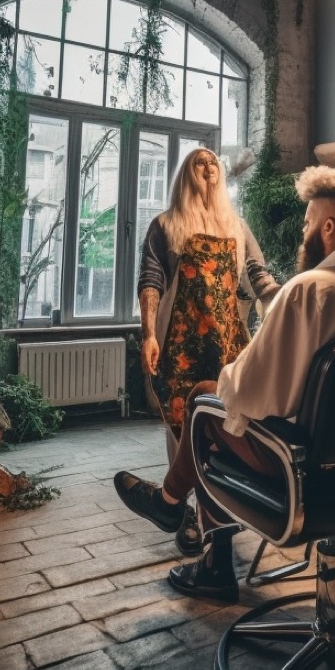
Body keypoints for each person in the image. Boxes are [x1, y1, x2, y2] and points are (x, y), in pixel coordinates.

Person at [115, 165, 335, 601]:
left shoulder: (310, 292)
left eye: (307, 222)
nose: (303, 230)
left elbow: (247, 397)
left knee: (207, 406)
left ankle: (188, 529)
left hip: (309, 472)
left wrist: (229, 380)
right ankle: (172, 506)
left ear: (328, 226)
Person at [137, 147, 280, 556]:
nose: (208, 167)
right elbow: (150, 279)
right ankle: (187, 515)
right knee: (182, 425)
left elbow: (257, 272)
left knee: (223, 424)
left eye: (213, 162)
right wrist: (149, 334)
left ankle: (216, 512)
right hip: (179, 340)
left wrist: (283, 301)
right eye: (198, 163)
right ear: (185, 174)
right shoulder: (165, 225)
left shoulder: (236, 225)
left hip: (228, 340)